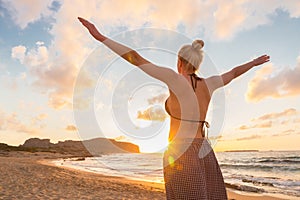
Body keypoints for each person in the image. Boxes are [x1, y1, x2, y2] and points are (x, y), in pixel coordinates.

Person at [78, 17, 270, 200]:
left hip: (180, 151)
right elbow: (234, 73)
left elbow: (135, 58)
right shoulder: (209, 83)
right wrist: (253, 63)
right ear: (196, 64)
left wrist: (100, 37)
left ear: (179, 61)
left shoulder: (174, 78)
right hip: (205, 151)